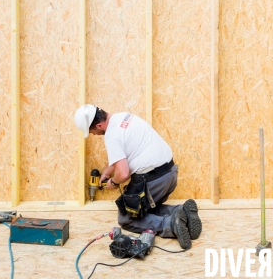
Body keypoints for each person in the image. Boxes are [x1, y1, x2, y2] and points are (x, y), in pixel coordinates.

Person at [74, 104, 202, 249]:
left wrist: (114, 183)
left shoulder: (111, 136)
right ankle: (181, 211)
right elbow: (126, 151)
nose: (94, 135)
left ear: (99, 125)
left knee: (127, 219)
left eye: (92, 131)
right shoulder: (123, 117)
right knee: (143, 209)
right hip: (170, 173)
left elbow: (122, 174)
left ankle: (172, 225)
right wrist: (108, 171)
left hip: (154, 180)